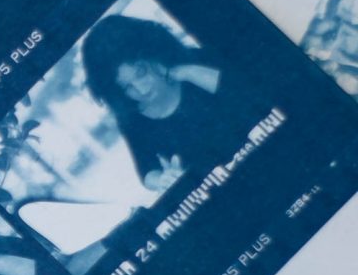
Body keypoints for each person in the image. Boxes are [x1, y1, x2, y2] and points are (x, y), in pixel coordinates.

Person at [81, 14, 244, 192]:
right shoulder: (131, 117)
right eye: (127, 87)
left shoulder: (200, 61)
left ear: (153, 52)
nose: (142, 90)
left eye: (141, 72)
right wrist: (162, 180)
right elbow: (146, 170)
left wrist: (188, 73)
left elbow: (246, 94)